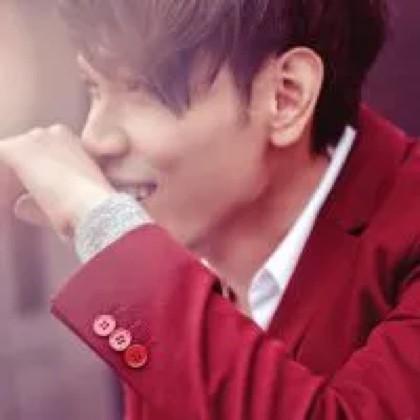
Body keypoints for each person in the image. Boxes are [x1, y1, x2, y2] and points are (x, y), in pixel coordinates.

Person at [1, 0, 420, 418]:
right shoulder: (183, 235)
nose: (95, 139)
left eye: (141, 89)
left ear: (285, 96)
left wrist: (104, 227)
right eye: (94, 87)